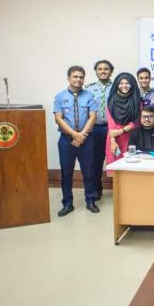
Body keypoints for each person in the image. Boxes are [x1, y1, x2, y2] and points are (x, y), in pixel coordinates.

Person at [53, 66, 99, 216]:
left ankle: (90, 201)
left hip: (87, 140)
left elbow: (93, 117)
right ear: (69, 78)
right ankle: (67, 203)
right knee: (66, 173)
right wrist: (74, 135)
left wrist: (82, 135)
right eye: (75, 76)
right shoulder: (60, 96)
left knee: (89, 172)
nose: (78, 79)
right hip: (66, 141)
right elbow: (58, 118)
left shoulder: (90, 96)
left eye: (81, 77)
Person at [85, 59, 113, 202]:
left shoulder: (117, 87)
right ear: (96, 72)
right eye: (100, 69)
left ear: (111, 71)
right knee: (96, 160)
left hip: (112, 129)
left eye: (106, 69)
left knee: (115, 158)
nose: (103, 71)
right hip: (95, 129)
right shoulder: (89, 89)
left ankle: (119, 189)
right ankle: (97, 189)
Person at [105, 72, 141, 174]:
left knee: (131, 164)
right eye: (121, 83)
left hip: (131, 136)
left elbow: (137, 121)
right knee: (115, 162)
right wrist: (113, 140)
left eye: (127, 83)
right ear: (117, 84)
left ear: (132, 84)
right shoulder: (111, 100)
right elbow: (111, 123)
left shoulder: (136, 100)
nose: (124, 86)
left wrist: (121, 131)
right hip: (114, 137)